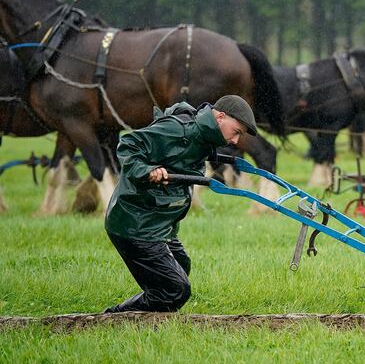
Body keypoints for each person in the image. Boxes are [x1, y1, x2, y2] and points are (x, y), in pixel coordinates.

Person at [104, 95, 257, 313]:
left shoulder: (203, 134)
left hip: (160, 222)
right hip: (135, 224)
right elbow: (128, 145)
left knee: (180, 267)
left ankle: (153, 315)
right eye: (237, 132)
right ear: (220, 117)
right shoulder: (176, 130)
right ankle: (115, 317)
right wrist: (147, 171)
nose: (235, 141)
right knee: (176, 290)